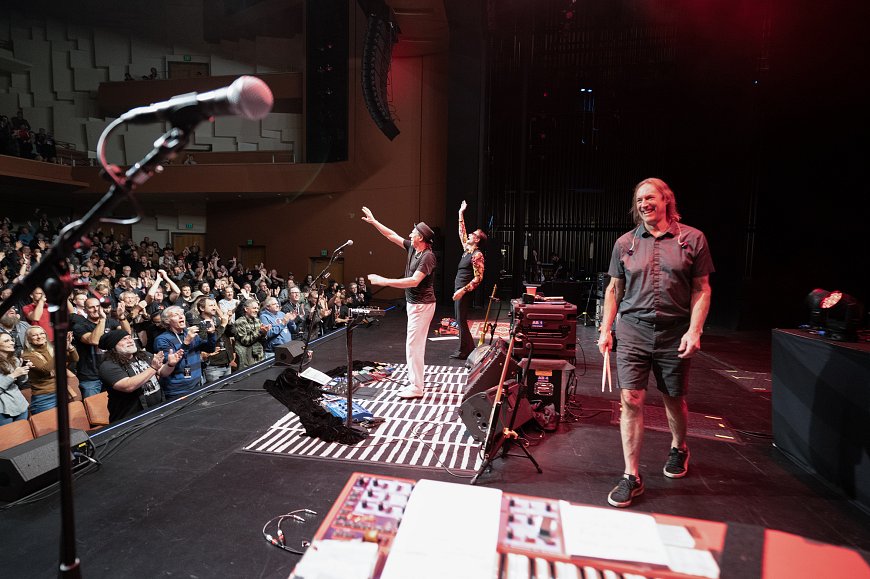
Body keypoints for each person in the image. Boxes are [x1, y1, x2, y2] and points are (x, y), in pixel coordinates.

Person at [597, 178, 714, 508]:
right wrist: (606, 329)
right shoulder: (625, 243)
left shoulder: (692, 239)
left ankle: (679, 447)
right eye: (639, 200)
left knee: (673, 398)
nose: (644, 203)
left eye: (650, 197)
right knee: (631, 399)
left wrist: (695, 330)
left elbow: (702, 289)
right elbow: (614, 290)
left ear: (666, 200)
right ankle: (631, 475)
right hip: (633, 330)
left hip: (674, 332)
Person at [361, 206, 437, 400]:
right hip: (415, 304)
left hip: (422, 305)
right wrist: (374, 221)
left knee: (413, 346)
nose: (410, 233)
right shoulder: (414, 248)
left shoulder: (428, 256)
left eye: (413, 231)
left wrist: (384, 281)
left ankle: (416, 387)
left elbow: (414, 281)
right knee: (414, 345)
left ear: (420, 237)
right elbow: (391, 235)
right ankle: (416, 382)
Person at [98, 330, 179, 422]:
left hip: (157, 411)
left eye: (130, 338)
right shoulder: (108, 366)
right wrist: (153, 368)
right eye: (124, 339)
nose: (130, 341)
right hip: (130, 419)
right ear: (113, 345)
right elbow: (128, 386)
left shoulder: (144, 355)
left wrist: (170, 364)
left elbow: (162, 372)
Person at [153, 306, 216, 400]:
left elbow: (210, 349)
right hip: (177, 391)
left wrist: (211, 334)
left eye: (182, 314)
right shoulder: (162, 339)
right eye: (176, 315)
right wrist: (186, 342)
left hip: (197, 385)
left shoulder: (189, 333)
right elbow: (169, 363)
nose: (181, 316)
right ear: (167, 321)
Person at [450, 200, 486, 360]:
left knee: (461, 319)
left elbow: (478, 278)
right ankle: (468, 348)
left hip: (464, 289)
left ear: (477, 240)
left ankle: (464, 350)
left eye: (473, 234)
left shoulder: (477, 255)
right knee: (460, 319)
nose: (470, 234)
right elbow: (462, 233)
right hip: (459, 287)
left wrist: (462, 291)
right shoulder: (467, 249)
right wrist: (460, 213)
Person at [22, 327, 79, 415]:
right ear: (28, 339)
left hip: (61, 392)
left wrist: (69, 346)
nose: (39, 337)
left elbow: (74, 358)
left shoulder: (52, 349)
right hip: (45, 398)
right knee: (48, 423)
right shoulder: (27, 356)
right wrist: (60, 350)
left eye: (42, 333)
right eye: (34, 335)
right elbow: (45, 369)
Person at [0, 332, 30, 425]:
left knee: (24, 433)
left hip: (20, 404)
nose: (12, 343)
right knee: (9, 434)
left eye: (11, 340)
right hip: (3, 410)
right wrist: (13, 375)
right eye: (6, 341)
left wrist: (23, 370)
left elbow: (20, 383)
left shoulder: (14, 359)